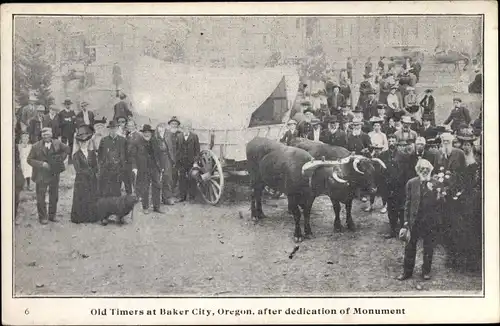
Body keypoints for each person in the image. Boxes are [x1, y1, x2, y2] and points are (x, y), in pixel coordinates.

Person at [397, 159, 442, 281]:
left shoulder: (436, 183)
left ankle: (426, 271)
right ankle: (407, 272)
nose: (424, 171)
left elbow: (440, 204)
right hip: (414, 221)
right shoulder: (412, 183)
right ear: (417, 170)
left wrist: (437, 194)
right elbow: (407, 203)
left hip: (429, 221)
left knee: (428, 248)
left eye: (427, 169)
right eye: (421, 169)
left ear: (430, 170)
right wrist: (406, 221)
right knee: (409, 247)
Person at [27, 127, 70, 224]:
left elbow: (67, 149)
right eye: (44, 134)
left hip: (54, 173)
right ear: (41, 136)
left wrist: (60, 159)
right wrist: (42, 164)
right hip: (41, 175)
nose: (46, 136)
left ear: (51, 134)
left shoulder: (57, 143)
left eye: (48, 134)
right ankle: (43, 217)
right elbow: (29, 160)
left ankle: (52, 215)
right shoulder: (35, 146)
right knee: (41, 196)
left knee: (54, 195)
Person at [131, 124, 165, 214]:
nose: (147, 134)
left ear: (151, 133)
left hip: (154, 167)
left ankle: (156, 207)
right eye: (145, 132)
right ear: (142, 133)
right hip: (143, 168)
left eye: (148, 133)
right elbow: (133, 156)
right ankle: (145, 207)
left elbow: (160, 155)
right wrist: (134, 167)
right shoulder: (137, 142)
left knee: (157, 186)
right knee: (145, 187)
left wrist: (161, 167)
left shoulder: (155, 141)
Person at [71, 125, 101, 224]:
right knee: (81, 197)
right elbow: (78, 169)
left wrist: (94, 172)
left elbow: (95, 166)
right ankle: (80, 217)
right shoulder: (76, 155)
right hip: (81, 180)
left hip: (91, 180)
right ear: (79, 143)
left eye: (85, 141)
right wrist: (89, 172)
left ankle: (90, 217)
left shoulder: (92, 153)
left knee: (91, 197)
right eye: (81, 142)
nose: (83, 143)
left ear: (88, 141)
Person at [379, 134, 403, 237]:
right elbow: (380, 172)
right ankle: (392, 230)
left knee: (401, 208)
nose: (391, 143)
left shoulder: (402, 155)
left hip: (399, 186)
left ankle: (402, 231)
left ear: (396, 142)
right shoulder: (383, 155)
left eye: (393, 141)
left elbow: (404, 172)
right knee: (390, 209)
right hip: (388, 186)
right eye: (390, 141)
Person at [98, 120, 127, 197]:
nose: (113, 130)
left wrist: (122, 168)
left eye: (115, 128)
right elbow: (100, 156)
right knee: (106, 192)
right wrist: (102, 167)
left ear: (117, 128)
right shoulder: (104, 140)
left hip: (118, 171)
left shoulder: (123, 140)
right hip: (106, 170)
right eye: (111, 128)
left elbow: (125, 155)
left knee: (117, 192)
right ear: (109, 129)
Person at [177, 120, 200, 202]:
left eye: (188, 127)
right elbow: (177, 150)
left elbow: (197, 151)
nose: (186, 129)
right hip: (181, 162)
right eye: (185, 127)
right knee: (182, 179)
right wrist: (177, 161)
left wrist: (195, 162)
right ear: (182, 128)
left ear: (190, 128)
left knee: (192, 179)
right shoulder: (179, 136)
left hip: (191, 162)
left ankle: (192, 197)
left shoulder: (194, 136)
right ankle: (182, 197)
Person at [156, 122, 177, 206]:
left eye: (162, 128)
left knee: (167, 177)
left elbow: (173, 148)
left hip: (167, 158)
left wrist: (172, 159)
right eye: (159, 128)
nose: (161, 129)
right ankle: (156, 199)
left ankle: (167, 198)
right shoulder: (155, 136)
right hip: (158, 158)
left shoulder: (169, 135)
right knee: (157, 178)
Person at [365, 143, 387, 213]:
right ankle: (371, 205)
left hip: (383, 176)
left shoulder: (384, 156)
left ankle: (385, 206)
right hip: (374, 176)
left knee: (384, 192)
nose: (377, 151)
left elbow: (385, 167)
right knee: (372, 190)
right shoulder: (372, 156)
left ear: (381, 150)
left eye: (379, 149)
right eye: (376, 149)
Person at [124, 120, 142, 195]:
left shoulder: (139, 135)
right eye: (128, 126)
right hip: (127, 160)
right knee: (128, 177)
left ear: (135, 126)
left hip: (135, 160)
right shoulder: (127, 135)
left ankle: (138, 194)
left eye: (131, 126)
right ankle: (130, 194)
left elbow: (141, 149)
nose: (130, 127)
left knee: (136, 177)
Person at [166, 116, 181, 198]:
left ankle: (175, 193)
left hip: (177, 157)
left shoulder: (180, 134)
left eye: (175, 124)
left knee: (176, 175)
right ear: (170, 124)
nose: (174, 125)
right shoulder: (166, 134)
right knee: (168, 176)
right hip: (168, 158)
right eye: (172, 123)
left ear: (178, 125)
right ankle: (168, 193)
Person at [58, 99, 76, 163]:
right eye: (67, 104)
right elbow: (59, 124)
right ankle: (62, 159)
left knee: (71, 145)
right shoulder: (61, 113)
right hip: (64, 132)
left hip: (71, 132)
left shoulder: (72, 112)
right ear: (64, 105)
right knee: (63, 146)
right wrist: (65, 121)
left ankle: (70, 158)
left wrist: (74, 129)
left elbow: (74, 122)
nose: (68, 105)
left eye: (69, 104)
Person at [15, 144, 25, 225]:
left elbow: (18, 161)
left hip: (14, 171)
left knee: (15, 195)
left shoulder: (14, 146)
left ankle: (14, 216)